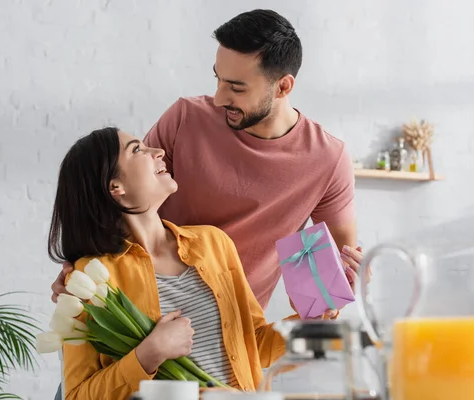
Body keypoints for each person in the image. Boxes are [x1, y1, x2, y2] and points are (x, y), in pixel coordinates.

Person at [51, 9, 363, 315]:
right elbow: (120, 195)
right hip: (147, 312)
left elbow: (328, 280)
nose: (219, 98)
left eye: (236, 87)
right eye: (219, 80)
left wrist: (333, 294)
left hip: (237, 333)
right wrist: (80, 270)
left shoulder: (327, 159)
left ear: (283, 86)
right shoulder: (185, 118)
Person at [50, 127, 322, 399]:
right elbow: (76, 395)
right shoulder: (90, 278)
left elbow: (256, 345)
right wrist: (147, 355)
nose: (159, 152)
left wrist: (314, 316)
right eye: (137, 150)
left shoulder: (213, 243)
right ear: (115, 187)